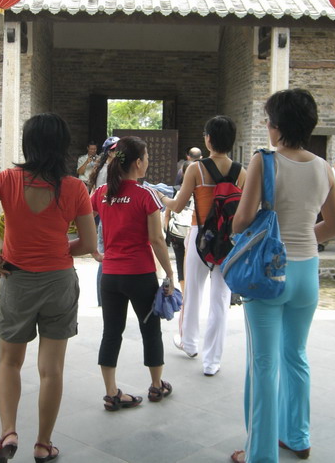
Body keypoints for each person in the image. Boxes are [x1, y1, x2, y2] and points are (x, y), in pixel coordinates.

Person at [0, 113, 96, 463]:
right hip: (59, 282)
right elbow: (89, 243)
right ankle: (43, 444)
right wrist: (60, 247)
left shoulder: (8, 180)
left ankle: (8, 432)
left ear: (28, 143)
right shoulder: (75, 187)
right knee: (51, 370)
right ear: (63, 145)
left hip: (16, 279)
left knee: (10, 361)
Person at [230, 89, 335, 463]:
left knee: (263, 364)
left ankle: (260, 454)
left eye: (269, 120)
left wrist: (276, 241)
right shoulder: (324, 168)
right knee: (296, 356)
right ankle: (298, 437)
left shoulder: (264, 162)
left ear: (276, 126)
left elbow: (242, 221)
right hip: (307, 273)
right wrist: (300, 237)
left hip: (268, 275)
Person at [91, 136, 175, 412]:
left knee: (111, 332)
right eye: (146, 158)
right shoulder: (145, 195)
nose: (148, 162)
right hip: (140, 275)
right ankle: (156, 385)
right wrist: (170, 273)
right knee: (150, 330)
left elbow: (83, 218)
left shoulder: (101, 192)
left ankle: (111, 393)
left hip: (110, 276)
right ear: (138, 163)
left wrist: (94, 251)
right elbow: (157, 239)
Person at [160, 116, 246, 377]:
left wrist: (161, 197)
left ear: (208, 139)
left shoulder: (196, 169)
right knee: (220, 299)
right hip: (228, 239)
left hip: (200, 236)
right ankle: (212, 362)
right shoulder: (241, 172)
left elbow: (178, 205)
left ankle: (189, 343)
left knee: (193, 291)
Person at [88, 136, 120, 306]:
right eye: (115, 149)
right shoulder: (109, 170)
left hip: (104, 216)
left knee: (105, 257)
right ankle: (104, 299)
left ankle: (104, 299)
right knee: (105, 258)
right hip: (108, 217)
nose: (119, 152)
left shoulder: (105, 168)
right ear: (109, 152)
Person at [164, 160, 194, 293]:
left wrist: (168, 231)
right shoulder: (201, 191)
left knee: (180, 264)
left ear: (182, 173)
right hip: (193, 232)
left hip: (177, 233)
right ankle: (190, 294)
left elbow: (168, 213)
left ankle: (184, 295)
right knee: (193, 266)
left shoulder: (176, 189)